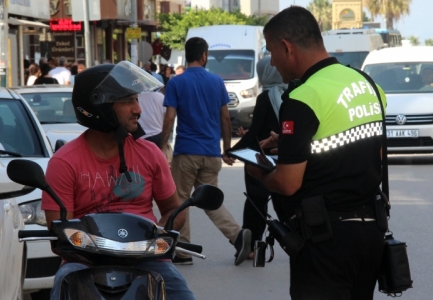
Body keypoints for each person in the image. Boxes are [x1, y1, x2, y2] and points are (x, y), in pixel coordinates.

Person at [245, 7, 387, 299]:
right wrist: (287, 141)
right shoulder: (367, 85)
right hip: (371, 233)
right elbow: (372, 152)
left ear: (287, 48)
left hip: (326, 241)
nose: (273, 61)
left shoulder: (301, 98)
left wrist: (258, 171)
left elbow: (287, 182)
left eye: (272, 52)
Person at [41, 62, 195, 300]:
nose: (138, 109)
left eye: (136, 99)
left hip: (147, 261)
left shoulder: (150, 153)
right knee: (64, 282)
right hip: (84, 263)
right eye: (127, 101)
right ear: (99, 105)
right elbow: (59, 233)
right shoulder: (64, 162)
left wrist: (158, 236)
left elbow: (175, 209)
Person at [160, 37, 251, 266]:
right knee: (211, 200)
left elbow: (170, 118)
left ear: (188, 55)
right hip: (211, 153)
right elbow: (225, 119)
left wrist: (161, 145)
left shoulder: (176, 82)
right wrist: (227, 149)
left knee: (180, 200)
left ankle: (182, 251)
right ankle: (238, 236)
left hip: (186, 152)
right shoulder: (217, 81)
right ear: (204, 55)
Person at [227, 56, 288, 258]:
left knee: (256, 203)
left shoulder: (265, 97)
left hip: (261, 160)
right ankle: (296, 240)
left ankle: (251, 246)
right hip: (283, 158)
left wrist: (231, 151)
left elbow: (255, 133)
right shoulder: (288, 94)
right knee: (284, 204)